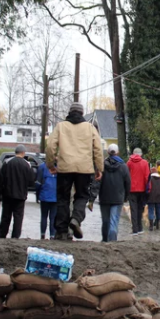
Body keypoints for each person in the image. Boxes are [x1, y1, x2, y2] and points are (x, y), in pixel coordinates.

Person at [46, 102, 104, 240]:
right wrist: (99, 168)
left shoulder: (61, 126)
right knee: (82, 196)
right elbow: (98, 149)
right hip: (84, 168)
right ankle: (76, 219)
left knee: (63, 198)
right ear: (82, 113)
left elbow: (50, 146)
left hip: (65, 167)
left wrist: (50, 164)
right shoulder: (90, 128)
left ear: (70, 112)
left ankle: (61, 231)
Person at [0, 145, 35, 239]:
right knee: (18, 217)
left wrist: (0, 193)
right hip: (21, 195)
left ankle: (2, 235)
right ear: (23, 153)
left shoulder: (7, 162)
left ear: (15, 152)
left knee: (6, 216)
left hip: (7, 194)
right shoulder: (27, 165)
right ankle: (15, 236)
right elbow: (31, 181)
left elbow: (0, 179)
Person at [99, 144, 130, 242]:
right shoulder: (123, 166)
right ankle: (112, 242)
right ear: (117, 153)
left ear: (108, 152)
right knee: (114, 221)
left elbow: (97, 181)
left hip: (104, 198)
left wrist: (93, 197)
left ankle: (104, 240)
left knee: (105, 221)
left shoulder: (102, 166)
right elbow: (128, 182)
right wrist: (126, 196)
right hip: (118, 197)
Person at [127, 148, 150, 236]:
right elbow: (146, 177)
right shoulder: (145, 163)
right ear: (141, 154)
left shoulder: (129, 163)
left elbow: (126, 176)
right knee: (140, 209)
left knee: (133, 209)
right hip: (142, 189)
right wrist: (147, 188)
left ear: (133, 153)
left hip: (132, 189)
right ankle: (140, 228)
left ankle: (135, 229)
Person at [36, 160, 58, 240]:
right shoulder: (59, 167)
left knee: (44, 216)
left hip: (44, 195)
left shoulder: (42, 166)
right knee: (53, 217)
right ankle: (52, 235)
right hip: (55, 196)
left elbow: (38, 183)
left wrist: (37, 196)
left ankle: (42, 234)